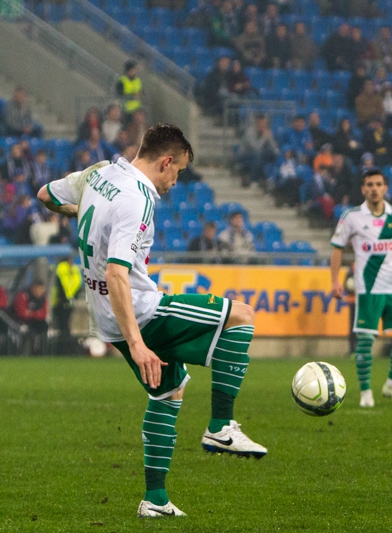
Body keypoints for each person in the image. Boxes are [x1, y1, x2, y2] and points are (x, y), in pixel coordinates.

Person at [37, 123, 266, 518]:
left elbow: (46, 195)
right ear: (165, 162)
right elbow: (116, 273)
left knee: (168, 391)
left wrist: (85, 214)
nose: (176, 182)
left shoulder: (100, 173)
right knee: (241, 316)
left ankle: (155, 501)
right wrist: (139, 343)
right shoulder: (137, 198)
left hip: (107, 317)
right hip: (140, 311)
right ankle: (221, 426)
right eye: (178, 172)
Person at [330, 169, 392, 408]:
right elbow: (337, 248)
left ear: (385, 188)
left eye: (378, 184)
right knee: (366, 340)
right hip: (368, 288)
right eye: (369, 184)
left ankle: (391, 385)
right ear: (363, 189)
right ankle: (366, 392)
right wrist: (335, 280)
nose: (374, 188)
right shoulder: (352, 216)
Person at [13, 280, 49, 355]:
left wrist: (31, 313)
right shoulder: (23, 295)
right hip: (21, 321)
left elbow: (44, 314)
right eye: (38, 289)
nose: (39, 292)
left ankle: (42, 351)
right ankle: (23, 352)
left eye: (41, 289)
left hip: (36, 321)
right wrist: (37, 313)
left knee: (44, 325)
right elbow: (22, 313)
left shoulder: (43, 298)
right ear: (33, 288)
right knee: (29, 331)